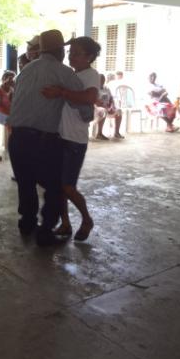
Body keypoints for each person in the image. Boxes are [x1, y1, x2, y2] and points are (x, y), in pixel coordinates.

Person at [8, 29, 93, 247]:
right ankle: (46, 232)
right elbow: (85, 109)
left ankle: (27, 224)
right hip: (43, 140)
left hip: (16, 139)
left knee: (25, 184)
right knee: (55, 187)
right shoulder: (63, 72)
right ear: (60, 52)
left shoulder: (25, 71)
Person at [41, 37, 100, 241]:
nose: (71, 56)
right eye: (70, 53)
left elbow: (90, 97)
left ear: (89, 57)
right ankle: (65, 223)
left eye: (76, 53)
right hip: (60, 135)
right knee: (58, 186)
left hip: (75, 139)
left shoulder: (91, 75)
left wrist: (61, 92)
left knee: (68, 186)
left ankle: (86, 219)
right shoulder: (72, 74)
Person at [94, 74, 124, 140]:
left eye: (103, 80)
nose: (102, 81)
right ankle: (99, 134)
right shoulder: (94, 89)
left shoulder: (106, 88)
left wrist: (112, 106)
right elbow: (95, 101)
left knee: (119, 111)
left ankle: (116, 133)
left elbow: (111, 98)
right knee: (103, 110)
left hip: (108, 108)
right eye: (100, 79)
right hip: (98, 109)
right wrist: (105, 107)